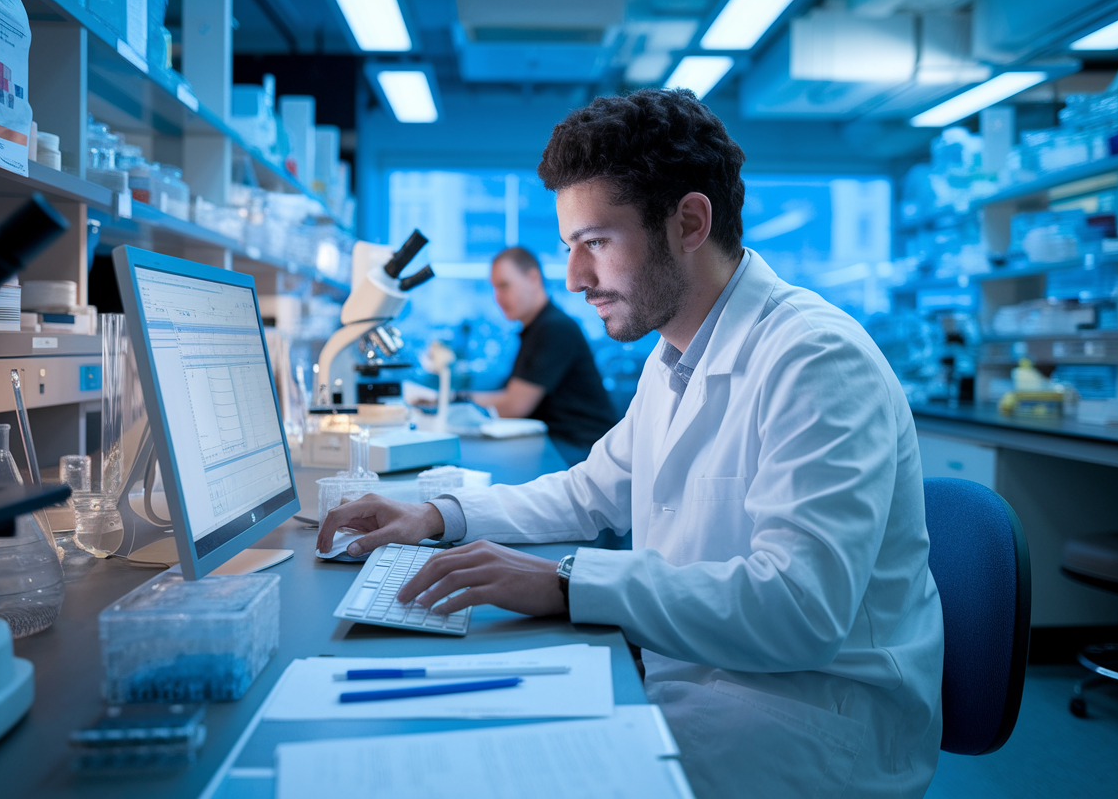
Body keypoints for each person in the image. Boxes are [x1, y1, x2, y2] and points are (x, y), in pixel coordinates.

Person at [319, 88, 944, 798]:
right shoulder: (675, 356)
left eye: (596, 244)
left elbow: (801, 610)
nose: (575, 279)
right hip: (698, 678)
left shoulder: (816, 358)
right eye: (569, 249)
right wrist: (434, 516)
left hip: (806, 724)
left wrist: (564, 582)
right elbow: (590, 490)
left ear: (688, 221)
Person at [466, 246, 618, 465]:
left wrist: (456, 401)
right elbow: (509, 394)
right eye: (494, 289)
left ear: (533, 278)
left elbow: (514, 405)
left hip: (582, 452)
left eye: (504, 286)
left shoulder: (554, 328)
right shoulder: (537, 328)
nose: (497, 298)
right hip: (561, 446)